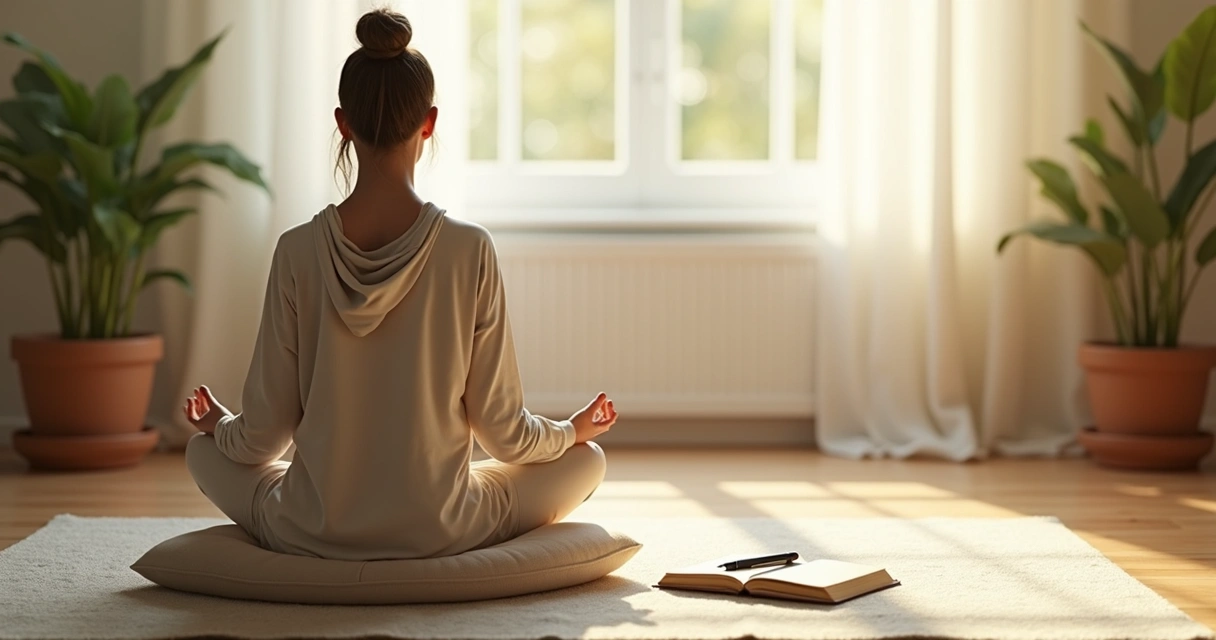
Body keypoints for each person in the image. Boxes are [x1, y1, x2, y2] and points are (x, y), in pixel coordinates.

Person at [180, 8, 617, 562]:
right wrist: (571, 433)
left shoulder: (296, 250)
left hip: (310, 527)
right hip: (442, 528)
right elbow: (504, 435)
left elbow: (262, 441)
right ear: (429, 122)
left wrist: (217, 424)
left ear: (342, 122)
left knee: (201, 452)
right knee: (589, 462)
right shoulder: (470, 248)